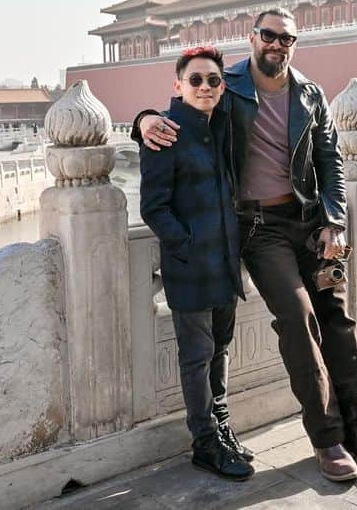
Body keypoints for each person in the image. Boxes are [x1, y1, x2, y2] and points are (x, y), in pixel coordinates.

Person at [136, 7, 357, 481]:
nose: (277, 44)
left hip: (311, 223)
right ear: (252, 37)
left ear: (295, 44)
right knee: (298, 319)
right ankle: (328, 438)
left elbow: (330, 162)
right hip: (260, 229)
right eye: (269, 35)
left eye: (287, 38)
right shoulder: (227, 86)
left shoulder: (310, 94)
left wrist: (333, 223)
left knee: (337, 320)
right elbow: (187, 110)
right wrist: (144, 117)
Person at [139, 46, 253, 481]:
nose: (205, 87)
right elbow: (154, 207)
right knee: (197, 355)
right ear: (178, 85)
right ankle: (204, 443)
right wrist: (184, 245)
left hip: (225, 262)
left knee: (220, 350)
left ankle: (221, 428)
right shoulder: (165, 133)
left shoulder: (219, 124)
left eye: (213, 81)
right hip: (191, 266)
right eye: (196, 80)